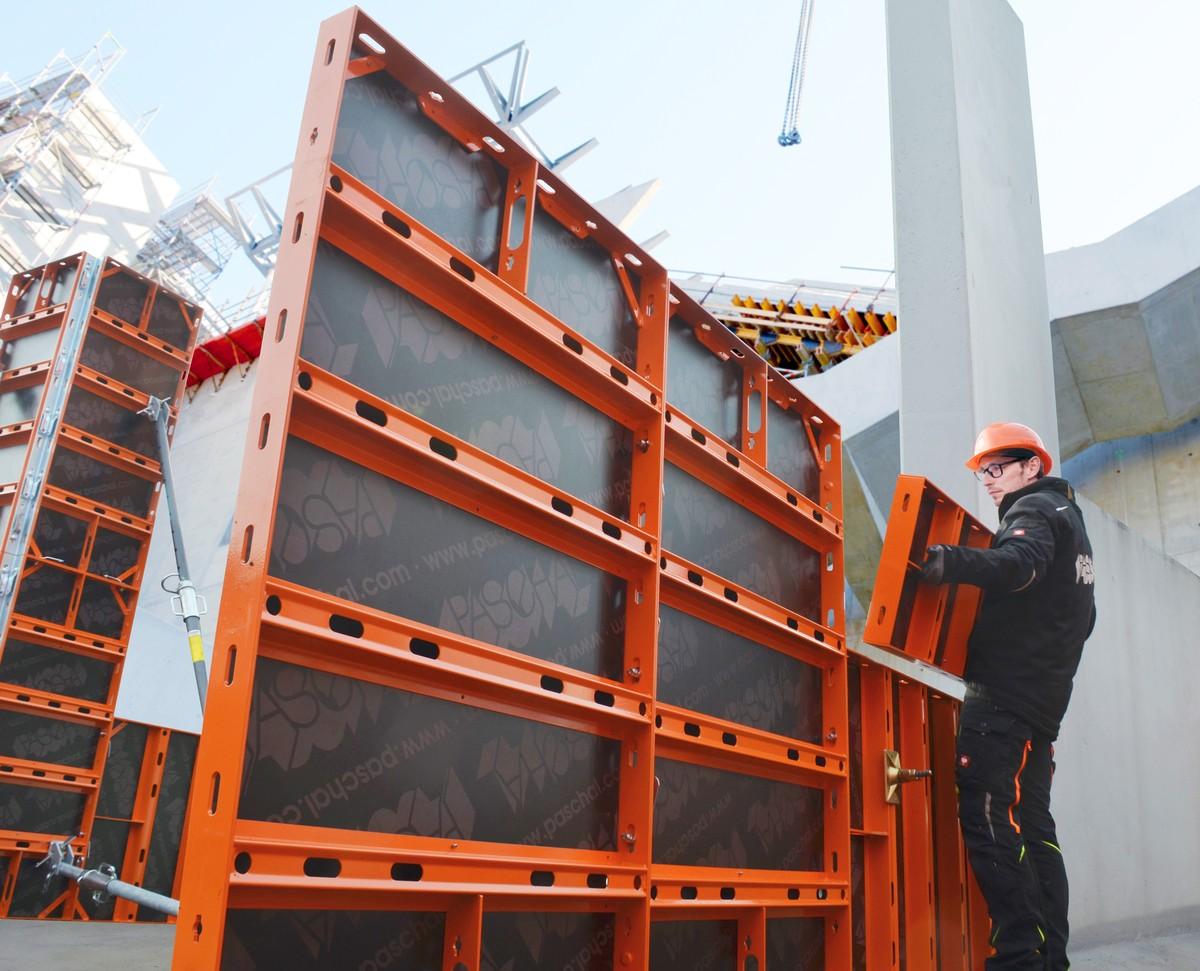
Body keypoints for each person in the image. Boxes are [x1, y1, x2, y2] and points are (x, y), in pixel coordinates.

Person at [918, 422, 1096, 971]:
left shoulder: (1035, 511)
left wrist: (949, 561)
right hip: (1039, 712)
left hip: (1004, 707)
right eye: (983, 471)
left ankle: (1021, 958)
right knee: (1035, 830)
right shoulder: (1072, 525)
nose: (989, 481)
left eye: (997, 468)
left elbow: (1020, 567)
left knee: (991, 820)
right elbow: (1082, 620)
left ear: (1032, 467)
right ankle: (1050, 959)